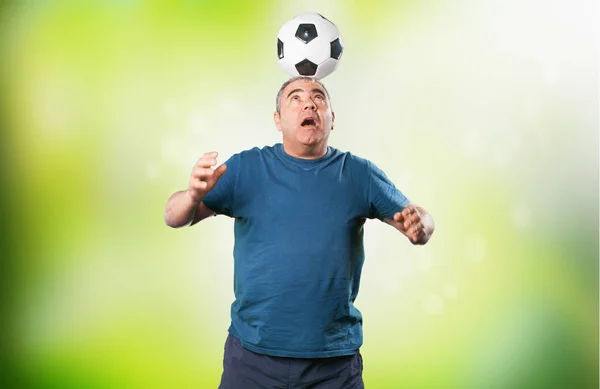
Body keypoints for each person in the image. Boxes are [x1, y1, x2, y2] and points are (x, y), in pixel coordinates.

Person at [164, 76, 435, 389]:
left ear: (332, 118)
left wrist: (420, 228)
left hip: (334, 366)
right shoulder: (246, 168)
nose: (309, 103)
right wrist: (193, 195)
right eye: (295, 97)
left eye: (319, 97)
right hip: (252, 361)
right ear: (277, 120)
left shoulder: (358, 173)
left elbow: (422, 220)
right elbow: (173, 215)